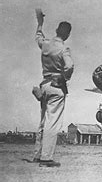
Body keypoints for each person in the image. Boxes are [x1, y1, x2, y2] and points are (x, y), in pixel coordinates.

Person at [31, 9, 74, 167]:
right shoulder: (64, 49)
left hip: (44, 85)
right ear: (67, 35)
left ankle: (37, 154)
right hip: (56, 87)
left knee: (43, 121)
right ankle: (46, 158)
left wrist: (40, 24)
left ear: (56, 30)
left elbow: (38, 37)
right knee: (52, 123)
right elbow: (69, 66)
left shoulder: (46, 44)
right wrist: (63, 77)